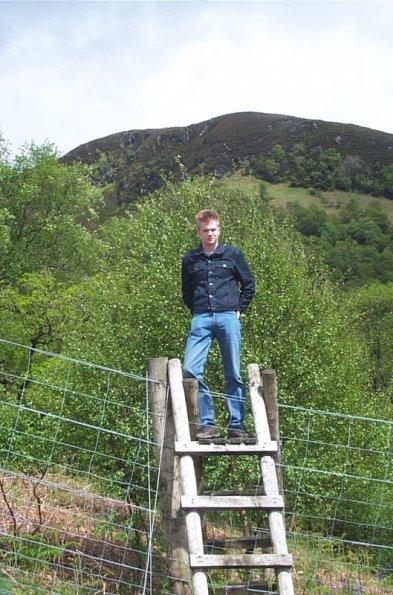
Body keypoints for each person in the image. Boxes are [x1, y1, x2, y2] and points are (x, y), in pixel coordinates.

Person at [182, 209, 256, 439]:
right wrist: (197, 311)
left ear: (219, 230)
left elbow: (249, 285)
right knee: (190, 369)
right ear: (199, 232)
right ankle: (208, 424)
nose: (210, 234)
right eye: (206, 230)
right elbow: (186, 291)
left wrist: (239, 310)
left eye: (213, 229)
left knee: (233, 371)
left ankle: (237, 425)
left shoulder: (233, 254)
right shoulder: (190, 259)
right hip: (201, 318)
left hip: (228, 317)